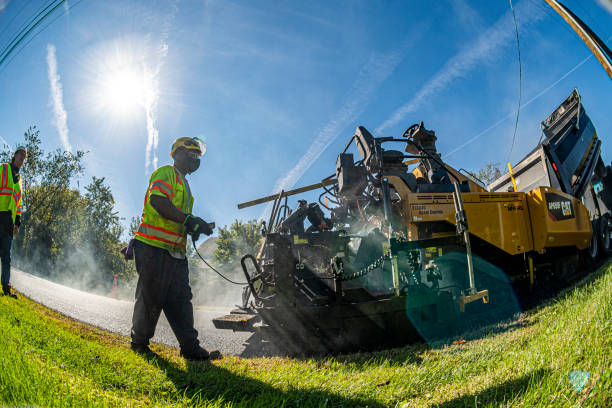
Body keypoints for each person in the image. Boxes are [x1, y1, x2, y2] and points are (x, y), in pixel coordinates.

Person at [130, 137, 220, 360]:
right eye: (192, 154)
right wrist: (189, 219)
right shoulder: (165, 173)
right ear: (178, 153)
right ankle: (139, 344)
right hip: (153, 247)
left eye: (198, 155)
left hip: (175, 253)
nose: (196, 159)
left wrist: (194, 227)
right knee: (150, 297)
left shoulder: (186, 186)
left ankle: (190, 349)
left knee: (181, 301)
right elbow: (158, 203)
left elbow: (179, 218)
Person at [0, 146, 26, 299]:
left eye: (24, 157)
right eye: (20, 155)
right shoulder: (3, 168)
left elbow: (18, 203)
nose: (22, 159)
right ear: (14, 156)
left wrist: (17, 223)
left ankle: (5, 287)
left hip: (9, 222)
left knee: (6, 257)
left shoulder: (20, 179)